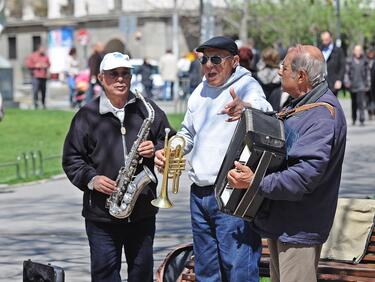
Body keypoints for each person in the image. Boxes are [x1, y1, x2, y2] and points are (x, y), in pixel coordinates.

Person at [155, 36, 272, 282]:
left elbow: (266, 111)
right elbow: (187, 133)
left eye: (216, 59)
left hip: (232, 191)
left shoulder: (246, 85)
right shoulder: (199, 91)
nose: (209, 65)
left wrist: (246, 108)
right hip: (199, 194)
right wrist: (172, 150)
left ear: (234, 61)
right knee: (207, 271)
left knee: (238, 269)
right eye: (204, 59)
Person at [227, 45, 347, 282]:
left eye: (284, 67)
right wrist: (248, 110)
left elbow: (303, 176)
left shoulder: (322, 116)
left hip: (299, 229)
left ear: (301, 76)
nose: (279, 72)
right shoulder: (301, 103)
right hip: (285, 222)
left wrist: (254, 182)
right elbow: (283, 128)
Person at [62, 52, 172, 282]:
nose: (120, 79)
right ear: (101, 78)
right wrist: (92, 179)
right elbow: (72, 159)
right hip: (102, 213)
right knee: (104, 276)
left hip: (142, 210)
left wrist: (157, 147)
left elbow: (170, 139)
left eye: (125, 74)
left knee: (141, 275)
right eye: (114, 74)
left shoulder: (147, 109)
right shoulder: (87, 116)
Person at [344, 44, 370, 126]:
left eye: (359, 50)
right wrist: (347, 82)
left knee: (361, 103)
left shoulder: (364, 61)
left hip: (361, 85)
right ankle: (354, 118)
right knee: (354, 103)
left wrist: (368, 83)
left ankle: (362, 119)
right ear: (354, 51)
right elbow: (346, 73)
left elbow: (368, 73)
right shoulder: (350, 61)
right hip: (353, 85)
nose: (358, 52)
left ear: (361, 51)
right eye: (356, 50)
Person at [320, 31, 346, 96]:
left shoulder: (338, 50)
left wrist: (339, 80)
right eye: (323, 40)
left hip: (333, 82)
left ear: (330, 38)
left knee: (332, 103)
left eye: (326, 40)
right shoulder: (319, 49)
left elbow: (342, 66)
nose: (324, 42)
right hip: (321, 82)